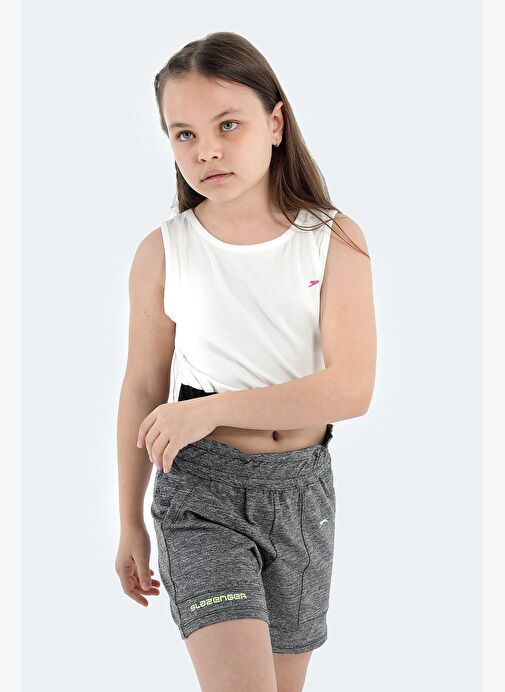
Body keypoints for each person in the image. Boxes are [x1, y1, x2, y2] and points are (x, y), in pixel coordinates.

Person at [115, 31, 376, 692]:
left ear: (275, 123)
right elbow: (141, 387)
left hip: (302, 495)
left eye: (227, 125)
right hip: (200, 493)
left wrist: (210, 409)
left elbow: (351, 389)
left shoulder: (333, 239)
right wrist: (129, 522)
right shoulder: (163, 251)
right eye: (183, 134)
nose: (205, 150)